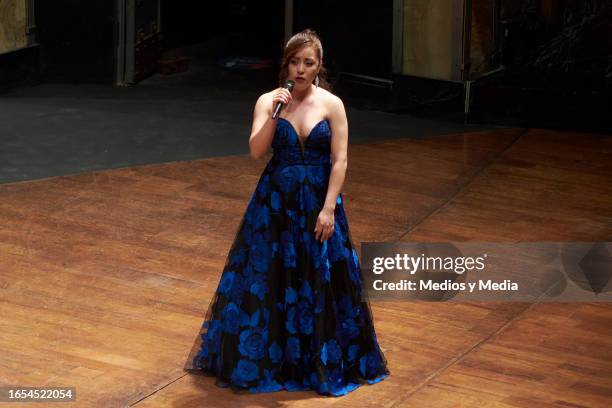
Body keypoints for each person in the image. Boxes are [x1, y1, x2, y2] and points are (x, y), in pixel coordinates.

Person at [184, 28, 389, 397]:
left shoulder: (332, 104)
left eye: (307, 63)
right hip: (275, 203)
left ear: (318, 66)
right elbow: (256, 151)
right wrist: (275, 116)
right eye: (294, 62)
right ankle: (273, 360)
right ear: (286, 65)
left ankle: (317, 362)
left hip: (317, 204)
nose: (300, 69)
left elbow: (340, 159)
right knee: (270, 278)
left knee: (320, 278)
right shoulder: (269, 101)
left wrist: (329, 208)